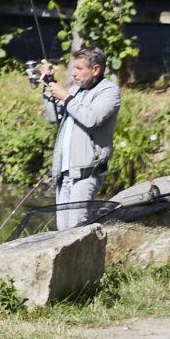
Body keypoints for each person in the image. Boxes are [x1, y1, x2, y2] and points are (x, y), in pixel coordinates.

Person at [38, 46, 120, 230]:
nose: (73, 73)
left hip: (85, 174)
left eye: (79, 68)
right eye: (73, 68)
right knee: (62, 231)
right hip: (65, 173)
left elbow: (91, 118)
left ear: (95, 69)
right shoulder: (76, 91)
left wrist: (66, 97)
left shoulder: (109, 92)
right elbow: (53, 116)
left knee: (76, 230)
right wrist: (48, 82)